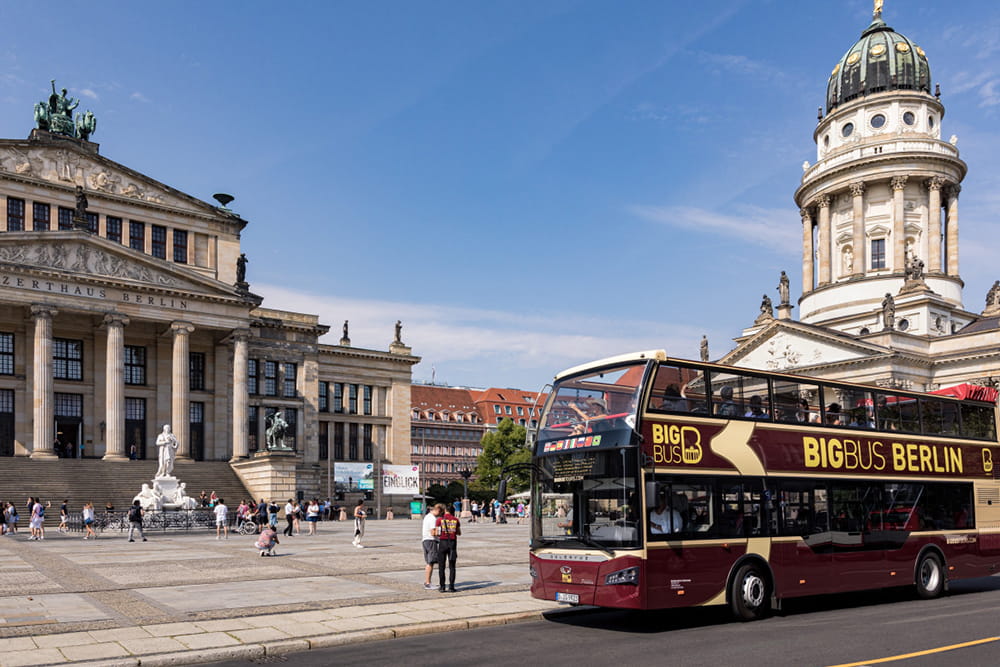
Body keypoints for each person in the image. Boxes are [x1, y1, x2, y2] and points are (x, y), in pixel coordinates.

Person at [435, 503, 461, 593]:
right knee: (452, 566)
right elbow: (459, 532)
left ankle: (442, 587)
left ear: (445, 510)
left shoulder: (440, 520)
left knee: (441, 566)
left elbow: (437, 533)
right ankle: (451, 587)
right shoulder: (456, 520)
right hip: (452, 544)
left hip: (442, 543)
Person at [422, 504, 442, 590]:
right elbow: (433, 532)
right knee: (431, 562)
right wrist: (440, 533)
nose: (439, 514)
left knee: (429, 562)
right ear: (437, 510)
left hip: (425, 540)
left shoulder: (427, 516)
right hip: (430, 540)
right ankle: (428, 583)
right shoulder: (432, 518)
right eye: (440, 512)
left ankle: (427, 582)